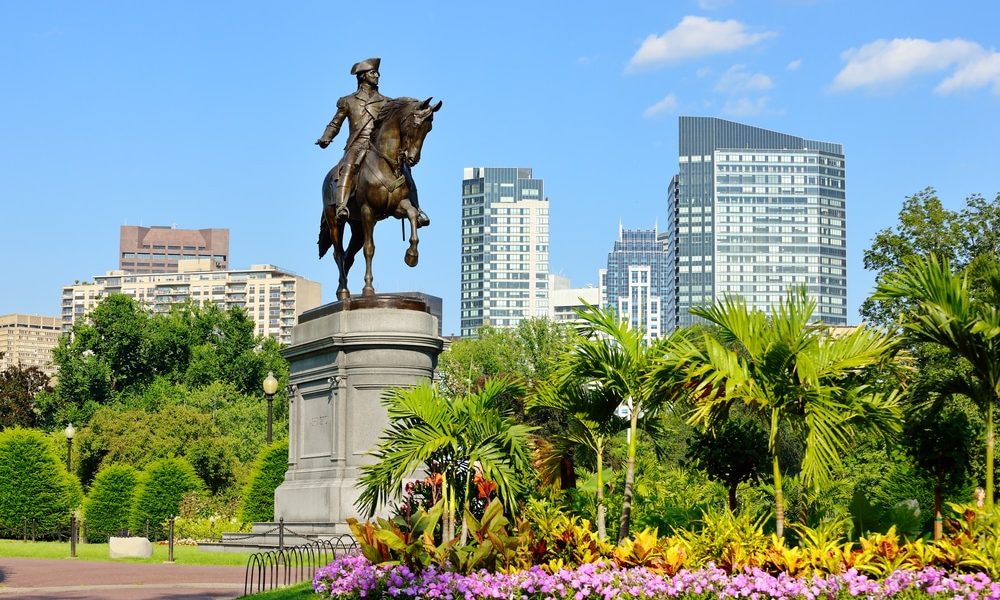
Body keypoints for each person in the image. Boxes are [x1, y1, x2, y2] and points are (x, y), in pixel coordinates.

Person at [316, 58, 429, 226]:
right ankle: (341, 206)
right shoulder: (348, 101)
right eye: (372, 73)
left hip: (379, 145)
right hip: (358, 143)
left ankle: (417, 209)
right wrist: (327, 137)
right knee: (349, 164)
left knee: (405, 169)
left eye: (377, 73)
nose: (377, 76)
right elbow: (335, 123)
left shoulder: (386, 102)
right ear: (362, 76)